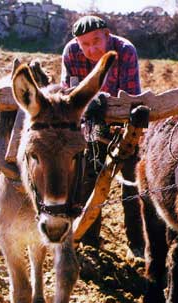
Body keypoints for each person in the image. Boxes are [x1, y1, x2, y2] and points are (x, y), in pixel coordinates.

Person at [61, 15, 144, 258]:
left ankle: (137, 244)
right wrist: (90, 107)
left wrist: (103, 101)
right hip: (91, 125)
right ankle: (89, 241)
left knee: (132, 184)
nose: (91, 49)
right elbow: (69, 93)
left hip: (123, 125)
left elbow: (131, 96)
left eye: (96, 41)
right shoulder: (71, 53)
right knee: (89, 178)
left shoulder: (125, 50)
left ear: (107, 35)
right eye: (84, 44)